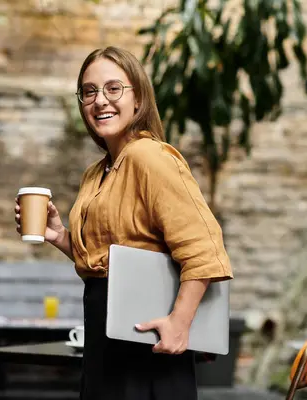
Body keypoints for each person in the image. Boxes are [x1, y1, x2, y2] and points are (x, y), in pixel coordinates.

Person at [15, 46, 233, 400]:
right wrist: (60, 237)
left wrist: (179, 324)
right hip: (106, 337)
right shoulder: (96, 172)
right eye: (89, 91)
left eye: (114, 88)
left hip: (148, 344)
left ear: (138, 98)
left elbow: (204, 251)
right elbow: (106, 262)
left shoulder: (151, 158)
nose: (100, 100)